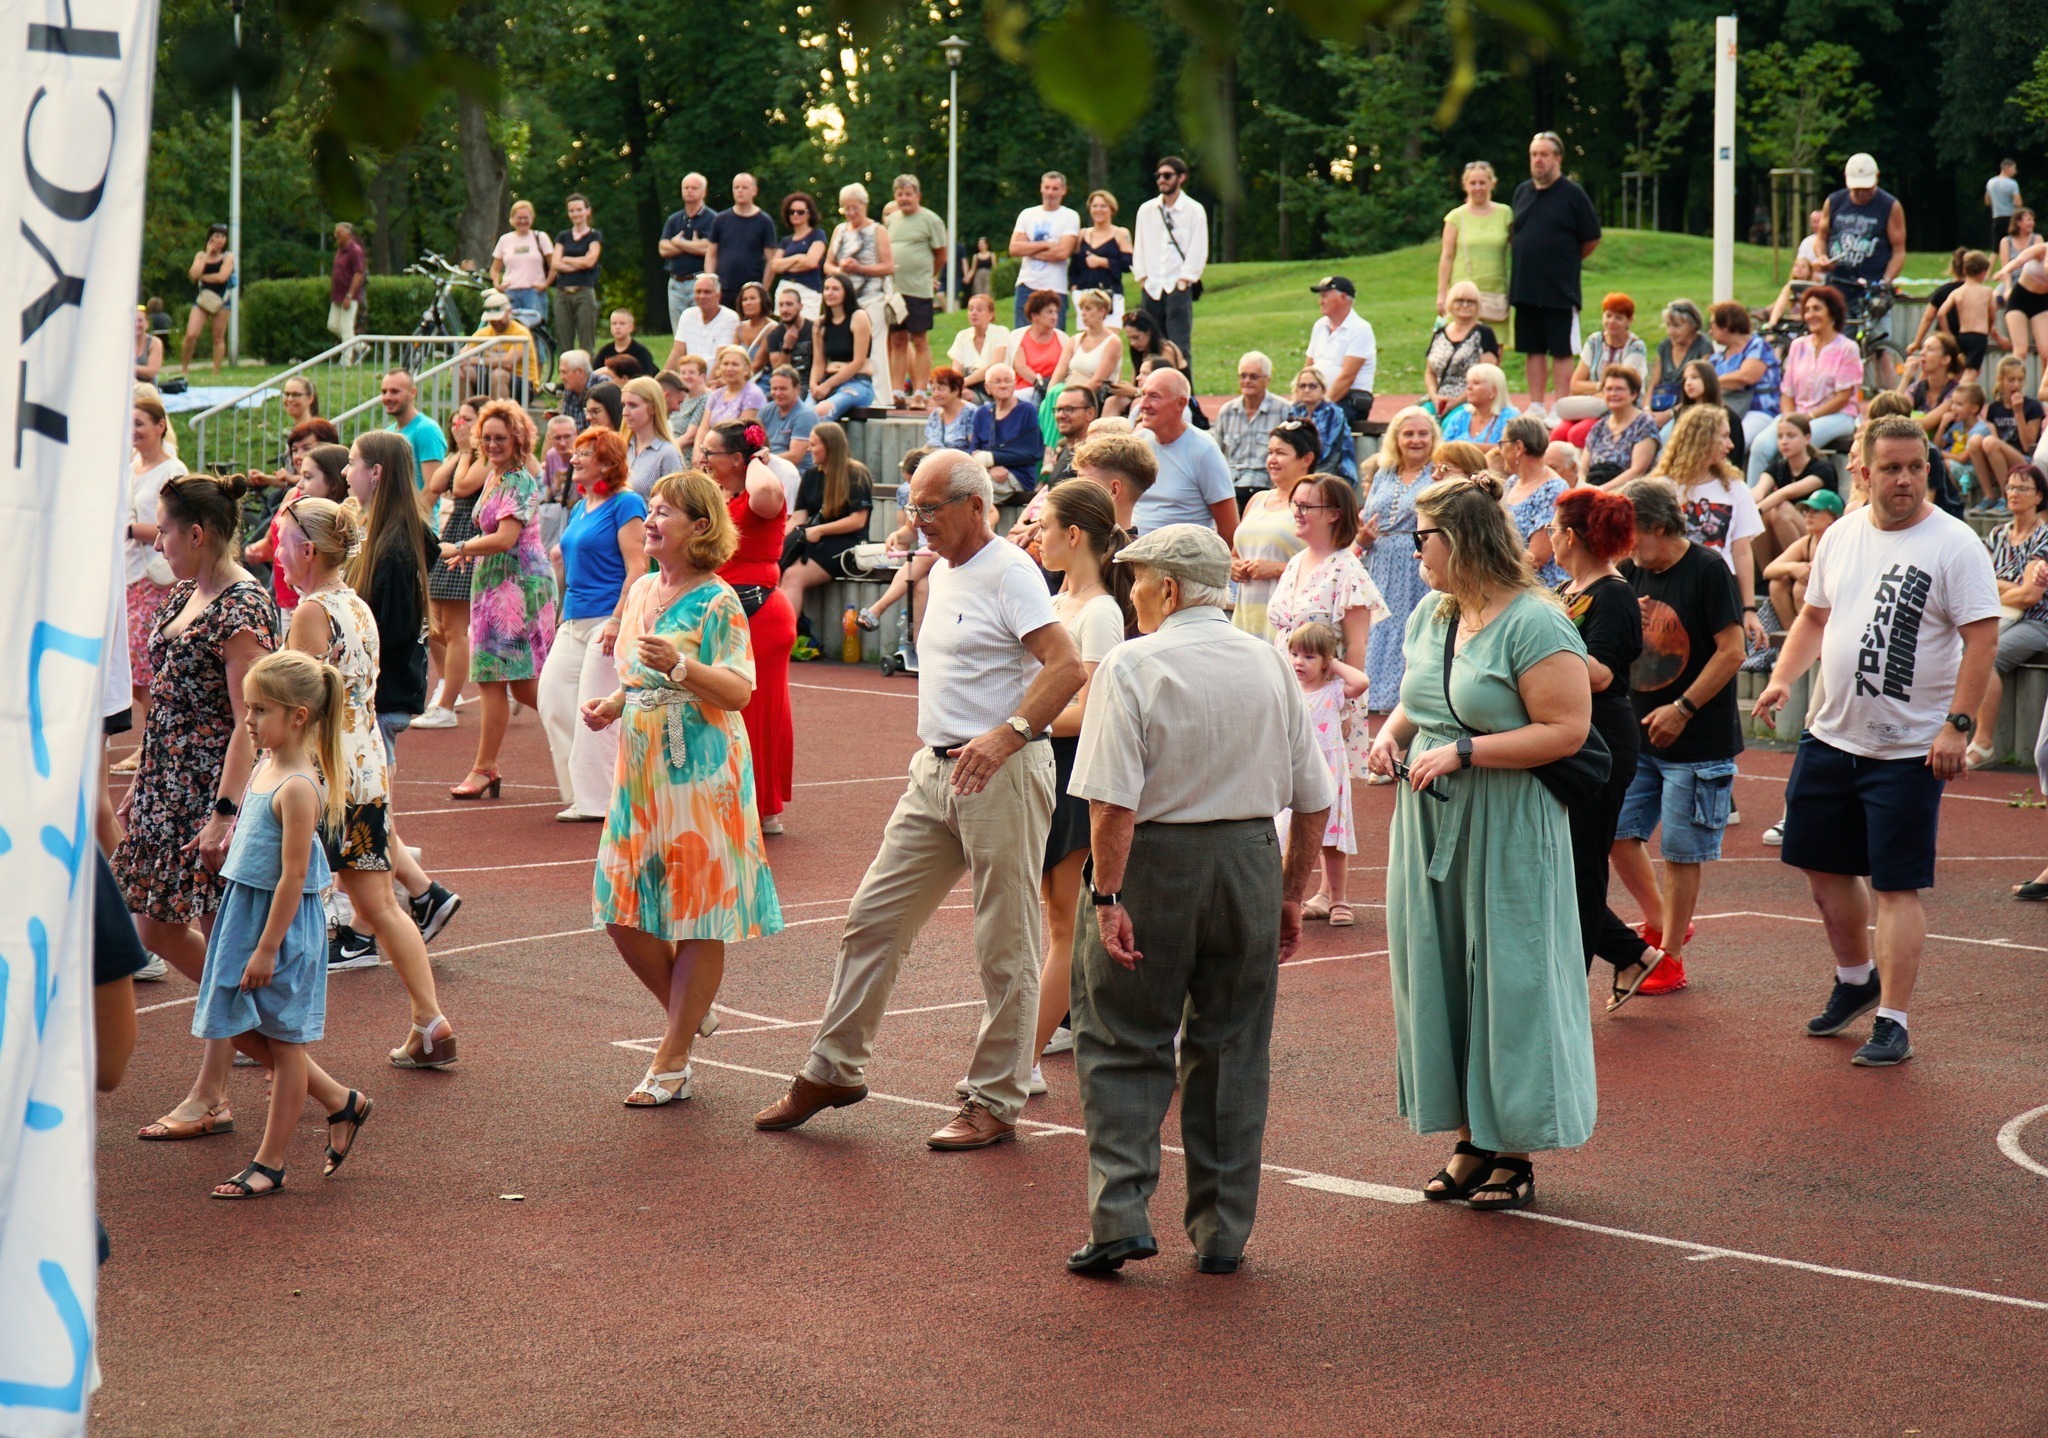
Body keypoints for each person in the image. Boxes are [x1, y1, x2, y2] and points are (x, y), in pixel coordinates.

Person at [752, 451, 1082, 1147]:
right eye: (913, 508)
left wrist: (1012, 733)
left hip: (1000, 775)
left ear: (974, 505)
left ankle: (994, 1099)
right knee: (872, 920)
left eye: (930, 509)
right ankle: (833, 1068)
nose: (918, 522)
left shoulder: (1010, 571)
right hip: (933, 774)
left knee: (1005, 943)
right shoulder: (941, 565)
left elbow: (1067, 666)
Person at [1063, 524, 1330, 1275]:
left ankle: (1119, 1214)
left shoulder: (1131, 663)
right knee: (1234, 1046)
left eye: (1139, 579)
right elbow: (1315, 798)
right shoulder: (1270, 663)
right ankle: (1222, 1232)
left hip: (1155, 861)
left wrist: (1108, 896)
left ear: (1171, 589)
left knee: (1123, 1038)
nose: (1133, 592)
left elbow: (1112, 803)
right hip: (1247, 859)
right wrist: (1288, 891)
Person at [1365, 471, 1598, 1211]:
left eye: (1421, 537)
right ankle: (1470, 1138)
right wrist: (1392, 736)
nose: (1413, 551)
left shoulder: (1535, 620)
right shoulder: (1434, 614)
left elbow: (1567, 731)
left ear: (1458, 541)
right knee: (1437, 974)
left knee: (1511, 974)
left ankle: (1515, 1147)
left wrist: (1466, 753)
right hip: (1431, 813)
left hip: (1507, 816)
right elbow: (1418, 697)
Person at [1752, 416, 1999, 1066]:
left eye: (1917, 467)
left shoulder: (1955, 543)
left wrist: (1960, 724)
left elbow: (1982, 639)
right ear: (1861, 471)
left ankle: (1893, 1019)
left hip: (1911, 749)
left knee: (1894, 885)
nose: (1906, 479)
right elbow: (1813, 616)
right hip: (1831, 737)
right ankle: (1856, 978)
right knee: (1820, 868)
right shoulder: (1839, 536)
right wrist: (1782, 680)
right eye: (1891, 468)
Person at [587, 470, 785, 1105]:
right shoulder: (644, 588)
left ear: (700, 527)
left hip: (701, 772)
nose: (651, 520)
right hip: (640, 771)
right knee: (620, 909)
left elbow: (738, 691)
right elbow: (639, 674)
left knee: (698, 913)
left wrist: (681, 665)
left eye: (665, 512)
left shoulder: (720, 600)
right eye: (650, 509)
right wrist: (615, 702)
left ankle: (671, 1060)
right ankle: (690, 1007)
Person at [117, 474, 277, 1142]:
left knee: (220, 940)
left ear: (197, 533)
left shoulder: (243, 608)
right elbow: (169, 706)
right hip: (165, 786)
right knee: (154, 929)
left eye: (164, 528)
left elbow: (251, 720)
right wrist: (144, 777)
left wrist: (224, 811)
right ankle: (282, 1061)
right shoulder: (185, 593)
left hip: (211, 790)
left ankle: (214, 1092)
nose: (158, 540)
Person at [277, 496, 457, 1050]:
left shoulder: (312, 613)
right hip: (365, 768)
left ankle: (267, 1029)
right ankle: (429, 1020)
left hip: (324, 776)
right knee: (378, 903)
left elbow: (293, 703)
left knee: (282, 895)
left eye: (283, 544)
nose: (276, 555)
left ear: (308, 550)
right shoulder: (355, 604)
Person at [189, 649, 368, 1198]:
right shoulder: (265, 765)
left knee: (286, 1044)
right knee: (232, 1020)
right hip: (246, 913)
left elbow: (294, 878)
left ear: (298, 716)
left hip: (280, 928)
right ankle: (341, 1100)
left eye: (260, 710)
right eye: (247, 707)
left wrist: (266, 949)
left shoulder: (297, 786)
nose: (248, 719)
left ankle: (270, 1161)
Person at [1609, 477, 1748, 1000]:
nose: (1626, 546)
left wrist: (1684, 708)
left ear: (1660, 527)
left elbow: (1732, 651)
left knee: (1682, 851)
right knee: (1617, 833)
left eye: (1633, 534)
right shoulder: (1630, 570)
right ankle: (1662, 923)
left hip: (1697, 739)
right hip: (1639, 733)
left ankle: (1670, 957)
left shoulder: (1709, 570)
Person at [1023, 481, 1131, 1098]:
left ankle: (1025, 1062)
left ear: (1075, 535)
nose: (1034, 536)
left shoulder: (1099, 612)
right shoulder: (1055, 601)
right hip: (1037, 763)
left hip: (1068, 774)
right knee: (1050, 922)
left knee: (1064, 925)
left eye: (1044, 525)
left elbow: (1093, 710)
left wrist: (1015, 722)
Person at [343, 432, 461, 948]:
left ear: (377, 473)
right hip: (383, 694)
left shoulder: (394, 544)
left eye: (353, 464)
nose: (348, 473)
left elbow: (386, 630)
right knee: (364, 811)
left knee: (364, 813)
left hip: (380, 697)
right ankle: (417, 896)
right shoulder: (390, 533)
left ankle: (372, 924)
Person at [1549, 486, 1657, 1007]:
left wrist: (1546, 645)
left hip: (1601, 742)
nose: (1548, 538)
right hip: (1574, 737)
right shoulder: (1571, 589)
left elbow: (1599, 674)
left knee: (1582, 864)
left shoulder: (1612, 594)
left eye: (1552, 529)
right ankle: (1631, 954)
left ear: (1570, 536)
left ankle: (1570, 986)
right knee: (1563, 861)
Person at [442, 400, 557, 800]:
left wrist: (460, 546)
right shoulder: (494, 477)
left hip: (517, 586)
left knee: (493, 679)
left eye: (500, 438)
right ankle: (591, 729)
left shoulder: (518, 480)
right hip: (496, 582)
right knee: (524, 688)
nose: (492, 444)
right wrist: (468, 553)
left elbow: (507, 538)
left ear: (518, 440)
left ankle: (484, 768)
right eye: (486, 438)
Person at [539, 427, 647, 822]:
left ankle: (599, 802)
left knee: (594, 708)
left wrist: (618, 620)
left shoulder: (626, 503)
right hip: (574, 618)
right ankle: (581, 791)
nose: (574, 458)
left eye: (584, 453)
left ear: (607, 460)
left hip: (607, 619)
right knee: (551, 700)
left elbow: (638, 566)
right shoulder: (583, 503)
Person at [1266, 474, 1387, 804]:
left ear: (1334, 513)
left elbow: (1357, 645)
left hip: (1323, 702)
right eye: (1296, 504)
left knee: (1321, 806)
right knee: (1284, 797)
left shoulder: (1348, 570)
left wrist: (1345, 708)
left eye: (1307, 505)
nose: (1298, 512)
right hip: (1288, 690)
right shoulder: (1295, 562)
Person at [703, 420, 797, 834]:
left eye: (710, 453)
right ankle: (735, 796)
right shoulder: (723, 495)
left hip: (758, 614)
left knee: (757, 710)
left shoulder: (761, 492)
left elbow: (767, 493)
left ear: (737, 459)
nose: (702, 459)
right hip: (726, 611)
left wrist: (760, 459)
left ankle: (763, 806)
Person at [1654, 406, 1769, 646]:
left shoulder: (1735, 488)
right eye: (1724, 436)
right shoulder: (1662, 487)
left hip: (1719, 588)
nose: (1731, 445)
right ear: (1702, 438)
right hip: (1674, 588)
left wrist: (1748, 608)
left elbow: (1741, 550)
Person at [1509, 132, 1602, 422]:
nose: (1538, 160)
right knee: (1532, 348)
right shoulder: (1522, 192)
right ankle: (1536, 405)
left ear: (1557, 158)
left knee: (1561, 350)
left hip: (1560, 290)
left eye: (1544, 154)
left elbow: (1591, 237)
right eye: (1534, 154)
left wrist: (1566, 261)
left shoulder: (1573, 194)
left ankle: (1561, 407)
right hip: (1525, 287)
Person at [1358, 408, 1442, 720]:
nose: (1416, 440)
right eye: (1408, 433)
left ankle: (1403, 713)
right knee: (1378, 632)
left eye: (1423, 434)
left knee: (1408, 632)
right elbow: (1367, 516)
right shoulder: (1384, 472)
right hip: (1379, 562)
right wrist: (1363, 538)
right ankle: (1375, 712)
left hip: (1414, 564)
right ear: (1396, 438)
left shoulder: (1437, 474)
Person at [1966, 463, 2048, 763]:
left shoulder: (2044, 537)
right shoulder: (1998, 534)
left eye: (2022, 488)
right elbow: (1975, 580)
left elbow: (2030, 595)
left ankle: (1984, 743)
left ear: (2038, 496)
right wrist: (2008, 586)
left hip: (2039, 621)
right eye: (2011, 487)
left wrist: (1996, 585)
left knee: (1987, 655)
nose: (2014, 493)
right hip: (1998, 616)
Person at [415, 395, 485, 728]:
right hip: (453, 534)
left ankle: (446, 705)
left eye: (467, 420)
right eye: (457, 420)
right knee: (436, 625)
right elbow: (436, 483)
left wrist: (469, 450)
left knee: (456, 628)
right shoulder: (463, 454)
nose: (460, 426)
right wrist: (460, 450)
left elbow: (463, 486)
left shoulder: (485, 456)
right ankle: (449, 688)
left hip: (472, 536)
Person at [1747, 286, 1863, 486]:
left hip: (1836, 415)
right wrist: (1789, 418)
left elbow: (1843, 396)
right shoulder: (1798, 345)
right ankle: (1753, 502)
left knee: (1797, 442)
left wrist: (1807, 418)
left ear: (1832, 312)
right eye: (1807, 310)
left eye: (1817, 309)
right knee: (1761, 445)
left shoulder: (1847, 348)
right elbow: (1787, 392)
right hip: (1797, 414)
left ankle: (1790, 499)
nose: (1810, 315)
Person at [123, 399, 186, 741]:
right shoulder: (131, 467)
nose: (133, 431)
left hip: (156, 578)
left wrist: (129, 530)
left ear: (161, 426)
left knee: (147, 667)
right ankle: (152, 738)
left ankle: (154, 740)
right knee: (133, 668)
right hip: (128, 574)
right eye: (129, 423)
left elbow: (175, 525)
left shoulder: (173, 471)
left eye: (140, 423)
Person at [1228, 418, 1316, 640]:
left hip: (1290, 621)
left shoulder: (1316, 502)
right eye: (1270, 452)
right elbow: (1236, 553)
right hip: (1248, 615)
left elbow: (1329, 565)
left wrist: (1278, 569)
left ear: (1306, 459)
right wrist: (1234, 566)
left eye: (1281, 453)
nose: (1272, 460)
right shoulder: (1258, 500)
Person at [778, 420, 874, 619]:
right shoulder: (811, 475)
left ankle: (784, 641)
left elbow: (858, 520)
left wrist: (821, 530)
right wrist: (779, 540)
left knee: (792, 576)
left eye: (813, 445)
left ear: (829, 446)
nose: (808, 450)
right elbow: (798, 517)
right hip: (813, 539)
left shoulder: (856, 474)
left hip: (846, 542)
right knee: (777, 572)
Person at [1134, 369, 1235, 538]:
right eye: (1143, 394)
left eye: (1154, 396)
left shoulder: (1204, 450)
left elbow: (1229, 528)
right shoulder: (1138, 444)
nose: (1143, 404)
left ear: (1180, 404)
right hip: (1134, 556)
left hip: (1183, 559)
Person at [825, 181, 896, 401]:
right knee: (847, 349)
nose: (851, 212)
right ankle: (848, 393)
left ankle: (881, 399)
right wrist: (840, 270)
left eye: (855, 207)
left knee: (874, 349)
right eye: (846, 208)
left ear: (865, 205)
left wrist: (859, 268)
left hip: (871, 298)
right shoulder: (839, 231)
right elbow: (827, 265)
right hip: (843, 302)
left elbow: (888, 266)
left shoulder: (877, 230)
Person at [1131, 156, 1207, 359]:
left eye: (1167, 175)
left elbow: (1198, 248)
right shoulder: (1147, 210)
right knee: (1152, 345)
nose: (1161, 180)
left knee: (1179, 345)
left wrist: (1185, 279)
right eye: (1158, 176)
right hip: (1152, 285)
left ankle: (1184, 388)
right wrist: (1143, 277)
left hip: (1177, 285)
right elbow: (1139, 245)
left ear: (1181, 178)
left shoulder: (1194, 210)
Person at [884, 174, 948, 409]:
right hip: (896, 292)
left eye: (908, 194)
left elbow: (941, 254)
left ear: (918, 195)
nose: (904, 198)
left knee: (919, 340)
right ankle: (897, 391)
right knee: (897, 340)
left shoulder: (931, 219)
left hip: (919, 290)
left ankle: (920, 391)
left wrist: (930, 276)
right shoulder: (891, 220)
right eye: (899, 194)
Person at [1551, 293, 1647, 445]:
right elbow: (1575, 384)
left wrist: (1603, 391)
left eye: (1618, 318)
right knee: (1558, 433)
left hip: (1619, 408)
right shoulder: (1595, 341)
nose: (1611, 322)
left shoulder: (1635, 346)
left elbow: (1626, 384)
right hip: (1593, 405)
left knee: (1578, 434)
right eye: (1608, 316)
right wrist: (1601, 388)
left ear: (1629, 321)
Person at [1816, 153, 1906, 296]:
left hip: (1872, 286)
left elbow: (1898, 251)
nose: (1862, 193)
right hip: (1836, 284)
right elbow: (1821, 237)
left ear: (1876, 177)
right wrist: (1821, 256)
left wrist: (1885, 282)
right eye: (1857, 188)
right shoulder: (1834, 201)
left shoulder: (1889, 206)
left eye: (1867, 188)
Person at [1753, 413, 1842, 556]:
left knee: (1781, 508)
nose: (1784, 441)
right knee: (1765, 514)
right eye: (1780, 436)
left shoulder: (1823, 468)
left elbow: (1787, 492)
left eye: (1791, 436)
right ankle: (1766, 575)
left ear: (1807, 438)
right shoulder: (1778, 467)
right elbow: (1759, 489)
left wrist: (1755, 510)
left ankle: (1798, 561)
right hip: (1790, 533)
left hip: (1820, 535)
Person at [1214, 350, 1291, 509]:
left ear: (1267, 380)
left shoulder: (1283, 410)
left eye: (1254, 376)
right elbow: (1217, 456)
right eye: (1243, 376)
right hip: (1231, 489)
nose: (1247, 381)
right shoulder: (1227, 411)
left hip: (1265, 489)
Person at [1499, 414, 1569, 586]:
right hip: (1511, 582)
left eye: (1502, 444)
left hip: (1541, 589)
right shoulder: (1512, 482)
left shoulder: (1552, 489)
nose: (1500, 451)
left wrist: (1488, 568)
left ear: (1519, 447)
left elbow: (1537, 558)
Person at [1436, 160, 1510, 321]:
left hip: (1495, 293)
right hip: (1463, 294)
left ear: (1492, 183)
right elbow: (1446, 257)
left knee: (1493, 344)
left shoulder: (1505, 213)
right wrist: (1442, 294)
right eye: (1473, 183)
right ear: (1465, 185)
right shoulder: (1455, 217)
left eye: (1482, 183)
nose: (1478, 188)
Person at [1011, 170, 1082, 331]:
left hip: (1055, 286)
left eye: (1055, 188)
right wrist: (1047, 244)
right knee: (1022, 337)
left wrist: (1028, 248)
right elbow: (1014, 248)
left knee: (1054, 338)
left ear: (1063, 190)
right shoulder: (1027, 214)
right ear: (1041, 188)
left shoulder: (1070, 216)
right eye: (1047, 187)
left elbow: (1062, 253)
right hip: (1027, 284)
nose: (1050, 192)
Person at [1762, 488, 1842, 630]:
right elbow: (1769, 570)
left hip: (1837, 607)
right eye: (1807, 510)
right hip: (1815, 607)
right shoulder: (1807, 542)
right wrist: (1793, 568)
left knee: (1801, 588)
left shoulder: (1840, 541)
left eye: (1816, 511)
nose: (1808, 516)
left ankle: (1814, 637)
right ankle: (1790, 635)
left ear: (1832, 517)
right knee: (1777, 584)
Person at [1968, 354, 2044, 500]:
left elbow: (2028, 445)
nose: (2016, 385)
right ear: (2000, 380)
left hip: (2025, 460)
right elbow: (1994, 438)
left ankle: (2005, 497)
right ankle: (1989, 496)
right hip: (1999, 457)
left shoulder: (2033, 406)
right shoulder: (1994, 408)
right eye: (2011, 380)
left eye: (2020, 380)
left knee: (1990, 442)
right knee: (1975, 441)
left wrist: (2019, 413)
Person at [1708, 301, 1783, 450]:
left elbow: (1746, 377)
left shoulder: (1758, 346)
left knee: (1735, 442)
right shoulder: (1717, 358)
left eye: (1712, 325)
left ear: (1727, 325)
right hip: (1727, 410)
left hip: (1759, 408)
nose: (1710, 331)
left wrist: (1710, 382)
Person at [1306, 276, 1377, 428]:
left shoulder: (1360, 329)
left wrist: (1321, 409)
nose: (1320, 301)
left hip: (1348, 401)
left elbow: (1347, 377)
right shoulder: (1319, 326)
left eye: (1325, 296)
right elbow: (1308, 369)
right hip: (1317, 399)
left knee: (1324, 423)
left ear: (1343, 297)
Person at [1424, 281, 1501, 416]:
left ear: (1477, 305)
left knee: (1452, 423)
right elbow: (1430, 372)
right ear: (1450, 303)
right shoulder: (1440, 334)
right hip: (1438, 399)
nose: (1465, 305)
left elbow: (1487, 376)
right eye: (1459, 301)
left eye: (1470, 301)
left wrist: (1455, 402)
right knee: (1418, 418)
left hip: (1469, 402)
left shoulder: (1484, 334)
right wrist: (1434, 396)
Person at [809, 273, 878, 422]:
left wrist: (828, 385)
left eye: (835, 289)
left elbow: (858, 361)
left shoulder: (858, 317)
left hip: (857, 383)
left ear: (846, 292)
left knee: (822, 411)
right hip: (827, 381)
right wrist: (814, 385)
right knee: (803, 415)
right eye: (826, 288)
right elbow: (818, 362)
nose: (829, 293)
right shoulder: (819, 324)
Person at [706, 172, 779, 311]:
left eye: (744, 187)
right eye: (736, 187)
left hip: (751, 289)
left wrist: (763, 289)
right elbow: (711, 254)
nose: (739, 191)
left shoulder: (764, 221)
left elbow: (771, 260)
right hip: (724, 289)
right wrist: (711, 283)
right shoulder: (720, 220)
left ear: (754, 191)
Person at [970, 363, 1042, 497]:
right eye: (997, 382)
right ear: (987, 387)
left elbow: (1032, 452)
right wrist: (991, 466)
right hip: (985, 472)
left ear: (1014, 385)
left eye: (1008, 381)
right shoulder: (982, 413)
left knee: (974, 492)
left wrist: (991, 459)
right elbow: (973, 451)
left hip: (1017, 474)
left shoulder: (1027, 411)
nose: (1003, 385)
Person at [1580, 366, 1660, 487]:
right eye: (1609, 389)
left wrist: (1602, 491)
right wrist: (1585, 488)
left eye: (1619, 389)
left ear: (1634, 394)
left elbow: (1637, 471)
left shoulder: (1644, 424)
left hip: (1627, 490)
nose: (1613, 393)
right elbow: (1583, 469)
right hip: (1593, 486)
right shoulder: (1599, 427)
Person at [658, 173, 716, 329]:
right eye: (686, 187)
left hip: (699, 281)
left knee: (700, 327)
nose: (689, 191)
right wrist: (692, 245)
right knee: (679, 331)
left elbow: (709, 248)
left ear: (704, 192)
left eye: (694, 188)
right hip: (675, 283)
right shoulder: (674, 220)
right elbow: (662, 249)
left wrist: (677, 242)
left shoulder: (713, 219)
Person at [548, 194, 603, 355]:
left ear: (587, 211)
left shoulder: (594, 236)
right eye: (571, 210)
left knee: (586, 342)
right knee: (564, 341)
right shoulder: (563, 236)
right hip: (562, 293)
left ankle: (588, 377)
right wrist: (579, 262)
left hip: (584, 292)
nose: (575, 214)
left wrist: (568, 260)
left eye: (579, 209)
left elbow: (590, 261)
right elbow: (555, 264)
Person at [1288, 365, 1358, 484]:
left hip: (1334, 471)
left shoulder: (1333, 412)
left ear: (1323, 390)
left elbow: (1324, 450)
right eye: (1302, 386)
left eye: (1312, 386)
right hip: (1304, 467)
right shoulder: (1295, 411)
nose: (1306, 390)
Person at [467, 289, 541, 401]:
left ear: (509, 312)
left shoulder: (520, 332)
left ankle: (499, 415)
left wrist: (478, 360)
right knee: (463, 371)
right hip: (492, 378)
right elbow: (462, 355)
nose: (495, 322)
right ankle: (464, 414)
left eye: (498, 318)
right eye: (492, 319)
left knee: (498, 375)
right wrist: (460, 366)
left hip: (524, 384)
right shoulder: (484, 332)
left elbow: (507, 363)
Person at [1930, 252, 1995, 378]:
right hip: (1979, 336)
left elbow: (1941, 313)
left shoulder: (1957, 292)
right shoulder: (1986, 291)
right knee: (1972, 371)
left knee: (1958, 371)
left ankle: (1953, 391)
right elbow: (1992, 316)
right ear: (1983, 273)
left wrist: (1948, 335)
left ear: (1965, 270)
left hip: (1962, 336)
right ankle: (1958, 395)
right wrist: (1989, 328)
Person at [181, 223, 234, 375]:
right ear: (210, 237)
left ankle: (215, 372)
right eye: (216, 236)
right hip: (202, 299)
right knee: (191, 334)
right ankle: (184, 369)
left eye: (223, 237)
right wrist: (206, 256)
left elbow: (221, 277)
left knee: (218, 337)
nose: (219, 240)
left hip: (222, 300)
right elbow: (193, 273)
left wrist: (203, 277)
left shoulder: (228, 256)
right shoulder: (200, 255)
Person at [489, 200, 553, 325]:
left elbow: (553, 265)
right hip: (511, 292)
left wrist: (546, 283)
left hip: (534, 292)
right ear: (512, 219)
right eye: (519, 218)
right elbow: (495, 268)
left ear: (532, 218)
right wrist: (497, 283)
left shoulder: (540, 237)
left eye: (526, 218)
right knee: (510, 330)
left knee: (535, 330)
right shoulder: (505, 240)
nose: (522, 221)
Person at [1072, 189, 1133, 321]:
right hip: (1085, 294)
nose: (1098, 210)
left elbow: (1128, 264)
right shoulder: (1082, 234)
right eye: (1095, 206)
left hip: (1110, 293)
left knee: (1109, 337)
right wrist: (1074, 286)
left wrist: (1103, 262)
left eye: (1103, 206)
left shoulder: (1121, 234)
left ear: (1111, 209)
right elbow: (1074, 265)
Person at [1007, 288, 1075, 405]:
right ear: (1034, 315)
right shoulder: (1018, 336)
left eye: (1055, 312)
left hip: (1055, 389)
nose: (1055, 317)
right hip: (1025, 389)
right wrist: (1039, 382)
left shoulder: (1063, 339)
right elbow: (1020, 366)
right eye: (1049, 312)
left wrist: (1051, 386)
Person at [620, 375, 683, 497]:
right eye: (623, 405)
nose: (625, 412)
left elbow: (676, 502)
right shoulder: (621, 447)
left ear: (653, 408)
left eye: (633, 405)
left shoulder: (667, 453)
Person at [767, 191, 827, 320]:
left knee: (807, 332)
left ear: (809, 213)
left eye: (800, 212)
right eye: (791, 211)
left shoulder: (817, 235)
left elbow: (811, 262)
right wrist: (798, 257)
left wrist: (786, 266)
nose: (795, 214)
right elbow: (775, 266)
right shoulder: (785, 241)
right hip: (784, 290)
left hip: (808, 291)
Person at [377, 368, 448, 475]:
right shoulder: (388, 433)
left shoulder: (427, 431)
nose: (387, 397)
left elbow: (432, 489)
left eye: (394, 391)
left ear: (413, 393)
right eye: (384, 392)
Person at [666, 274, 739, 373]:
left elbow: (721, 360)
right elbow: (677, 353)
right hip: (690, 377)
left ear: (718, 296)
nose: (702, 296)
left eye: (707, 292)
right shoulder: (687, 315)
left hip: (716, 381)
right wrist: (662, 381)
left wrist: (705, 387)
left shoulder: (730, 318)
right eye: (698, 292)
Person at [1066, 289, 1125, 409]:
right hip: (1069, 390)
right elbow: (1058, 375)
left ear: (1101, 311)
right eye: (1081, 309)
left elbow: (1098, 381)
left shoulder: (1113, 342)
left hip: (1092, 396)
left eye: (1088, 309)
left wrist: (1072, 398)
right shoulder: (1074, 340)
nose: (1083, 313)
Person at [945, 292, 1010, 396]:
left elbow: (994, 366)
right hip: (966, 386)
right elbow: (956, 369)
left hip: (992, 386)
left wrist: (964, 383)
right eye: (971, 309)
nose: (974, 313)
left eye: (979, 310)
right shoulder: (962, 336)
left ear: (990, 314)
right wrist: (958, 385)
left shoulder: (1001, 332)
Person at [1439, 362, 1516, 446]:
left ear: (1493, 391)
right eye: (1468, 383)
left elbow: (1510, 449)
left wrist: (1464, 448)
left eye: (1476, 383)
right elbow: (1443, 447)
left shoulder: (1510, 418)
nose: (1469, 387)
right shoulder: (1460, 417)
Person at [758, 364, 819, 468]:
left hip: (796, 472)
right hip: (768, 467)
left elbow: (795, 456)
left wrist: (760, 460)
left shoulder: (804, 415)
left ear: (797, 389)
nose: (777, 393)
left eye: (783, 389)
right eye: (774, 388)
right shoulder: (766, 410)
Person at [703, 344, 765, 436]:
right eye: (725, 364)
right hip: (711, 446)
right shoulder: (715, 395)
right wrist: (698, 450)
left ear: (746, 369)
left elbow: (740, 433)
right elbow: (703, 429)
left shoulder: (752, 394)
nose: (729, 368)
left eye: (735, 364)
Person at [922, 366, 981, 452]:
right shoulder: (934, 416)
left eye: (941, 389)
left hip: (961, 462)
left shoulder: (971, 412)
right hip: (934, 461)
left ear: (956, 390)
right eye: (933, 389)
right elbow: (928, 445)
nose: (936, 394)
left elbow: (975, 448)